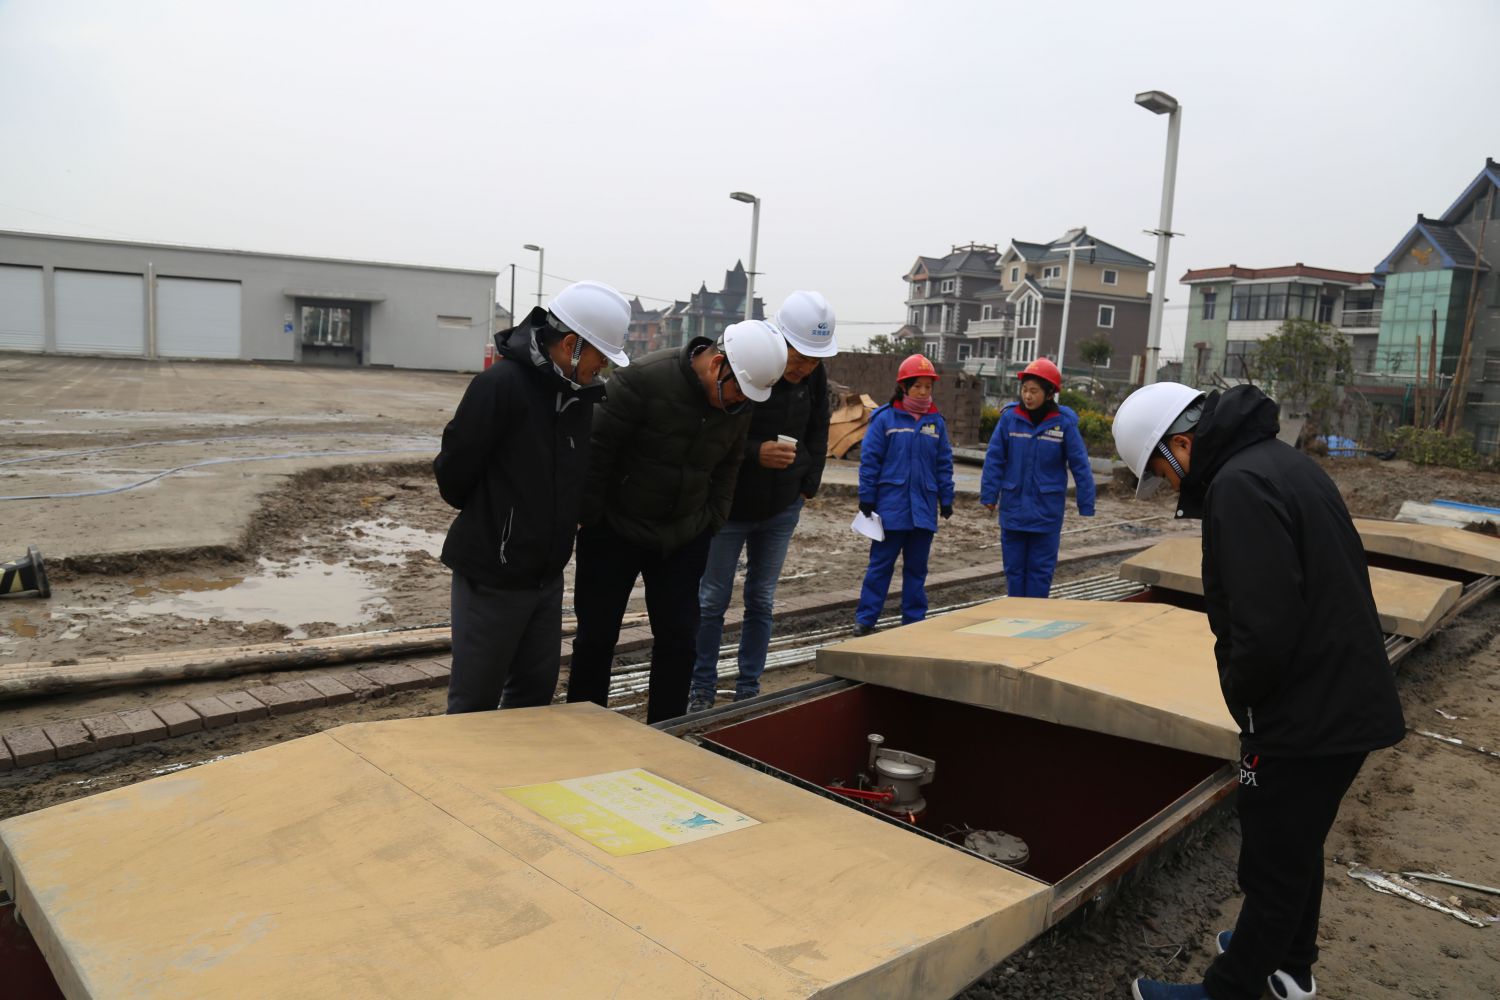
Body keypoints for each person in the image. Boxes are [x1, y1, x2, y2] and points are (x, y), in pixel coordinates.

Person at [1113, 382, 1406, 1000]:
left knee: (1273, 858)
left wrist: (1246, 706)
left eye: (1161, 473)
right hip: (1341, 692)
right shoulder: (1279, 463)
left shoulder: (1238, 487)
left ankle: (1232, 989)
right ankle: (1289, 965)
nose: (1169, 488)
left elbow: (1265, 625)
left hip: (1305, 709)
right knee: (1297, 842)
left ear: (1181, 445)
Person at [568, 319, 788, 723]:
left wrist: (713, 519)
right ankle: (584, 729)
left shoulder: (739, 402)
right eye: (738, 390)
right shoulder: (643, 380)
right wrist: (592, 517)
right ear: (717, 363)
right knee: (596, 638)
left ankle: (666, 730)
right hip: (615, 530)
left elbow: (729, 465)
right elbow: (597, 449)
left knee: (679, 640)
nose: (740, 401)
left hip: (684, 536)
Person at [434, 280, 630, 714]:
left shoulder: (579, 397)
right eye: (600, 355)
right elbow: (454, 474)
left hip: (546, 575)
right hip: (492, 574)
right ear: (571, 344)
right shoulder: (500, 385)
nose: (602, 367)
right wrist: (501, 524)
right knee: (475, 701)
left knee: (534, 696)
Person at [688, 291, 837, 712]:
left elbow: (819, 429)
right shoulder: (748, 362)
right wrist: (757, 452)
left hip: (782, 506)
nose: (805, 368)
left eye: (814, 361)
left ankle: (748, 688)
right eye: (800, 358)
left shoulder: (814, 377)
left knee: (761, 599)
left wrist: (808, 483)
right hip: (731, 507)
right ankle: (701, 687)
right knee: (711, 600)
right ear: (780, 340)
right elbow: (718, 430)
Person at [851, 354, 955, 636]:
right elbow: (870, 461)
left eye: (927, 387)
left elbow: (943, 463)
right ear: (904, 387)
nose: (923, 392)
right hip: (890, 508)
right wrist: (867, 496)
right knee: (880, 566)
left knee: (917, 569)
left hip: (923, 510)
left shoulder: (936, 422)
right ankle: (866, 619)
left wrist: (946, 497)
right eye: (917, 386)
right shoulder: (884, 418)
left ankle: (913, 620)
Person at [978, 358, 1095, 598]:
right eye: (1025, 390)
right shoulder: (1010, 419)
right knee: (1014, 570)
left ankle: (1035, 614)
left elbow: (1080, 464)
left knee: (1040, 571)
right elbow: (994, 458)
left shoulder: (1063, 423)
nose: (1028, 396)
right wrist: (989, 495)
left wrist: (1086, 503)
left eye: (1034, 391)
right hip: (1014, 509)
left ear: (1049, 393)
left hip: (1046, 512)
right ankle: (1015, 613)